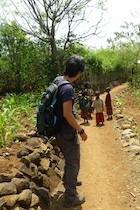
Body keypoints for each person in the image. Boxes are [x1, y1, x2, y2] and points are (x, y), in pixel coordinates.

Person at [52, 55, 88, 208]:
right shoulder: (67, 88)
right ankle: (70, 198)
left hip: (58, 129)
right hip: (67, 132)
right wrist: (81, 130)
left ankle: (69, 181)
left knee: (69, 160)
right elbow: (67, 114)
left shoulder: (57, 80)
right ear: (79, 72)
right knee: (73, 163)